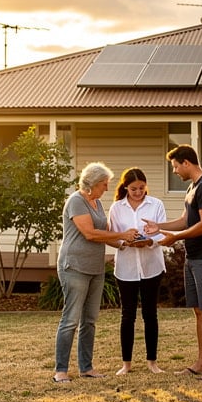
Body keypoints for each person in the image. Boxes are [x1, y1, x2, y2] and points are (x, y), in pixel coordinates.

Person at [143, 144, 202, 382]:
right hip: (194, 256)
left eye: (175, 166)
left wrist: (175, 238)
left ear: (186, 163)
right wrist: (159, 227)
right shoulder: (194, 187)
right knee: (199, 311)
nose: (174, 172)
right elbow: (185, 220)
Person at [53, 163, 140, 383]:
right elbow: (90, 234)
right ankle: (60, 370)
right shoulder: (76, 201)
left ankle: (86, 368)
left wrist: (123, 242)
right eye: (104, 184)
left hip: (95, 268)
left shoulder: (97, 202)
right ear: (92, 183)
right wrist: (121, 234)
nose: (106, 188)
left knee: (89, 321)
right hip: (74, 267)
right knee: (71, 320)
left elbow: (105, 233)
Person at [107, 168, 167, 376]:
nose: (138, 192)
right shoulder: (116, 208)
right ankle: (127, 363)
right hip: (126, 268)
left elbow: (162, 235)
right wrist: (126, 242)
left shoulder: (156, 204)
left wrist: (149, 240)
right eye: (134, 189)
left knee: (150, 314)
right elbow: (113, 237)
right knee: (127, 315)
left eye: (142, 188)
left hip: (152, 266)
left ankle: (152, 362)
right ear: (126, 187)